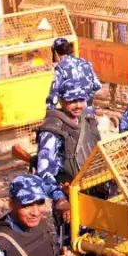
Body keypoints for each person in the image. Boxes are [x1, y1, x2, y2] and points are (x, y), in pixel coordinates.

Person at [36, 78, 100, 225]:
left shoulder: (88, 120)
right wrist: (61, 199)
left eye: (81, 100)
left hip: (93, 193)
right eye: (72, 101)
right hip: (69, 199)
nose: (78, 105)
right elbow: (44, 172)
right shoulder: (52, 130)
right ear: (60, 100)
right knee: (72, 244)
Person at [44, 38, 101, 112]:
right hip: (88, 111)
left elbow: (53, 95)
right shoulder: (86, 63)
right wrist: (87, 102)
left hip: (72, 112)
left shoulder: (61, 67)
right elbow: (97, 86)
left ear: (55, 53)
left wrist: (50, 112)